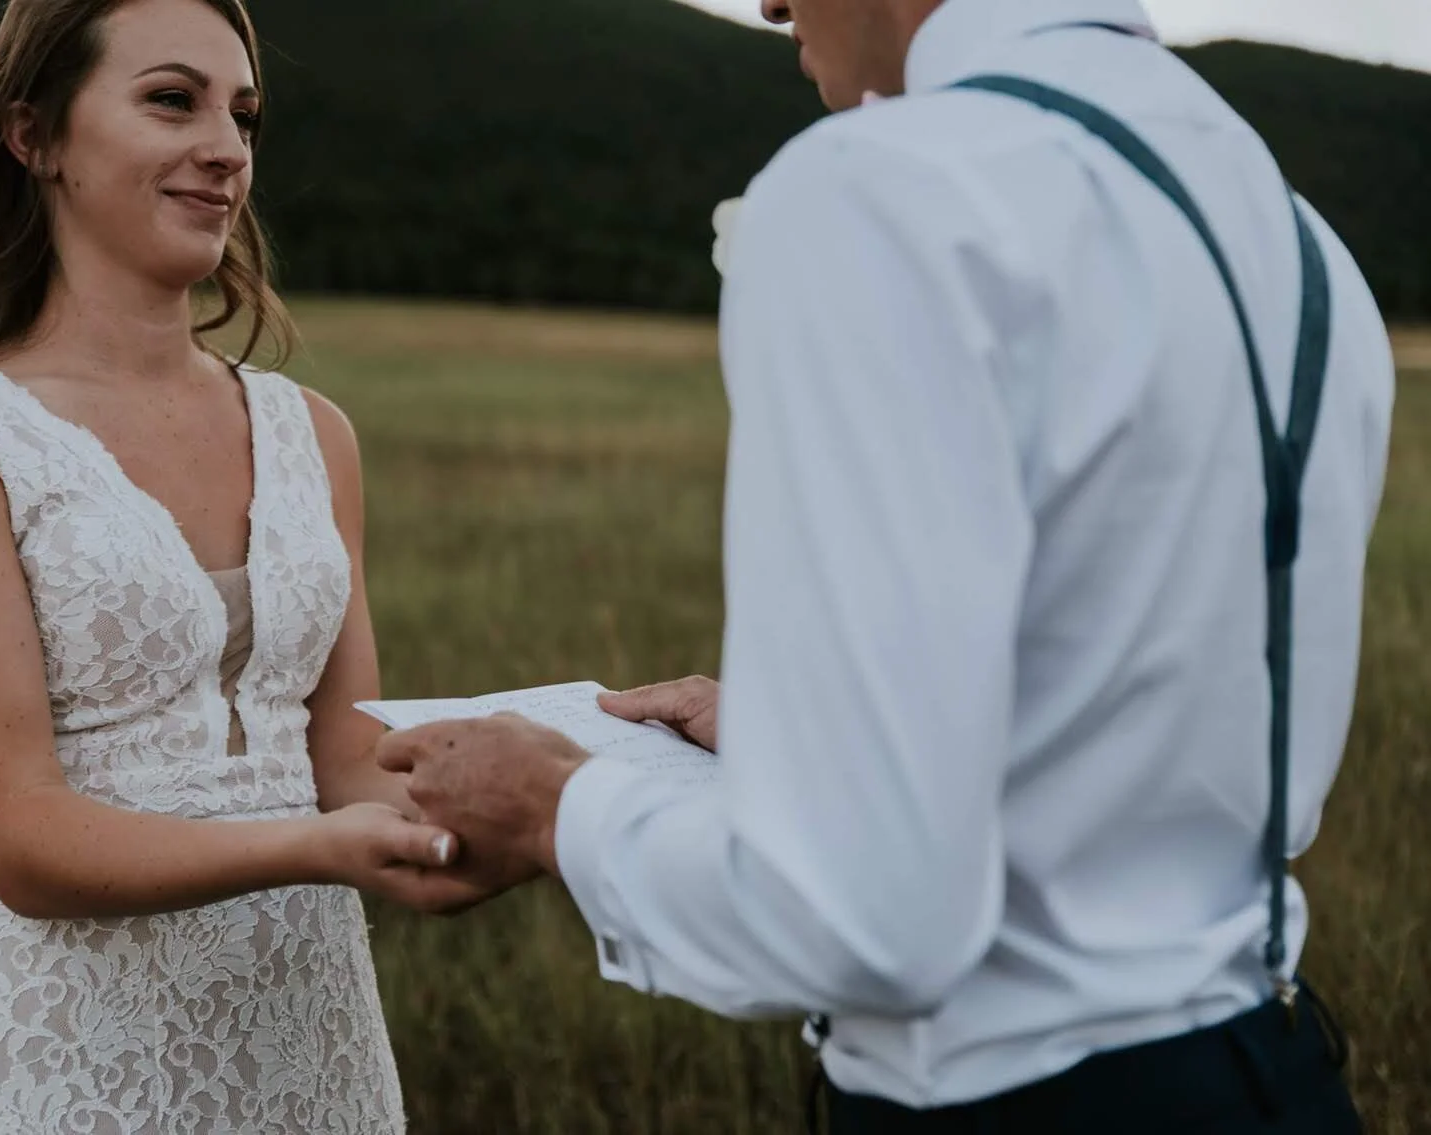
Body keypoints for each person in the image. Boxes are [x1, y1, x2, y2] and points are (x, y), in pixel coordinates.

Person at [375, 0, 1395, 1131]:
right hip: (1280, 1074)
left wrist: (555, 804)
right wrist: (806, 738)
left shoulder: (880, 191)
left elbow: (863, 920)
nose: (766, 3)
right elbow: (1143, 743)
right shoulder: (1302, 243)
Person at [0, 0, 484, 1130]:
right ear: (33, 137)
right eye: (169, 100)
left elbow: (346, 759)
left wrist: (562, 784)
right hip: (75, 1055)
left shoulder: (311, 433)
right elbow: (20, 836)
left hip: (312, 1041)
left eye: (243, 115)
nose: (227, 148)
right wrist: (312, 846)